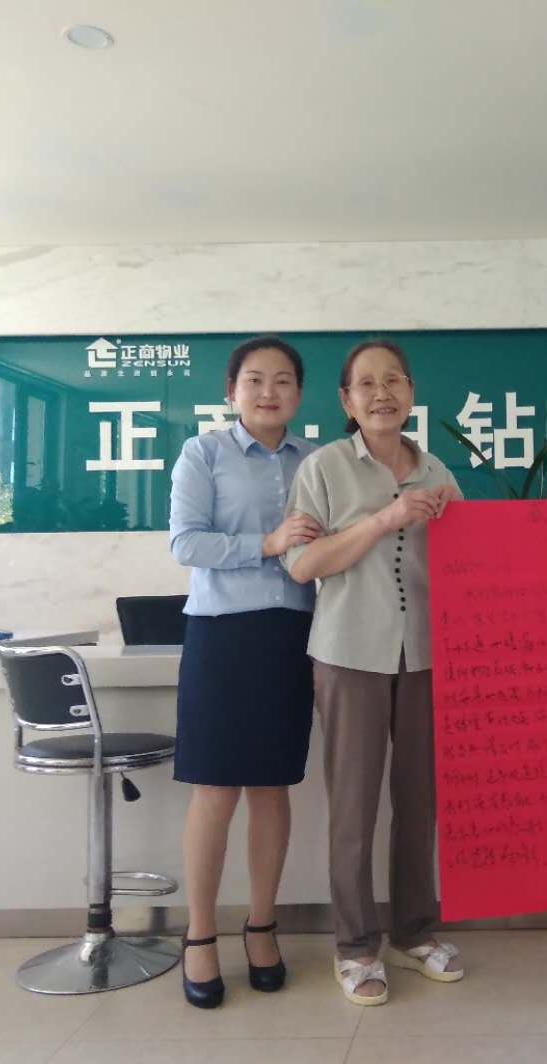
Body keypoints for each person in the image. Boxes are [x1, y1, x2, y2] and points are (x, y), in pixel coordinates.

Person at [284, 339, 464, 1007]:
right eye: (367, 383)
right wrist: (384, 519)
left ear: (412, 392)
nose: (382, 393)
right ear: (347, 400)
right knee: (354, 806)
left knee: (419, 801)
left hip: (426, 655)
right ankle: (356, 946)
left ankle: (415, 931)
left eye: (394, 381)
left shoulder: (438, 470)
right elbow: (302, 565)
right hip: (349, 654)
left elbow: (469, 559)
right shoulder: (324, 467)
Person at [168, 335, 322, 1009]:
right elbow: (185, 542)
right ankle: (200, 935)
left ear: (299, 394)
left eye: (283, 380)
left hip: (293, 633)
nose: (268, 391)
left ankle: (262, 926)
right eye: (254, 379)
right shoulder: (203, 453)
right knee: (216, 789)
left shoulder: (317, 460)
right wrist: (266, 543)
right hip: (222, 634)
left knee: (271, 787)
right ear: (231, 391)